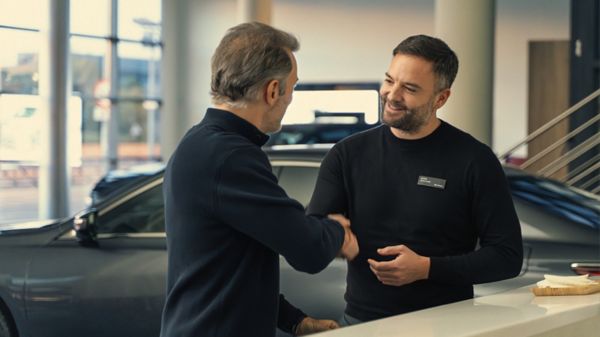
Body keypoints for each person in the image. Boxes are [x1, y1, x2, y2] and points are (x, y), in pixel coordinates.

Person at [307, 34, 523, 325]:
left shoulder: (474, 160)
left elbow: (507, 257)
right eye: (389, 80)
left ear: (441, 98)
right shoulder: (347, 154)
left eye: (409, 88)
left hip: (448, 325)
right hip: (362, 323)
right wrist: (334, 238)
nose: (392, 95)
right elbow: (314, 232)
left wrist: (427, 268)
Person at [160, 22, 359, 337]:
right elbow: (308, 250)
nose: (290, 98)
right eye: (292, 87)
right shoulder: (231, 157)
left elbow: (230, 268)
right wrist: (337, 229)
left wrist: (294, 320)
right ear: (272, 91)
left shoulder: (199, 144)